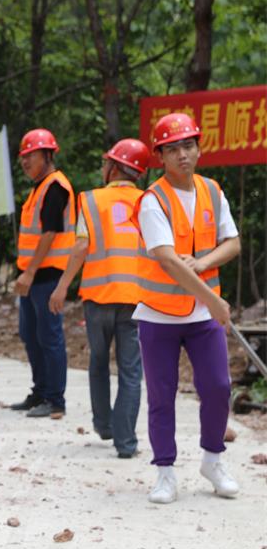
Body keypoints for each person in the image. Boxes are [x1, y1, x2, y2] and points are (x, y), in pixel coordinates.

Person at [132, 112, 241, 504]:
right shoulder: (152, 200)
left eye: (188, 146)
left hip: (202, 316)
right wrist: (213, 299)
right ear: (160, 156)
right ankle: (165, 472)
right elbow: (166, 258)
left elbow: (233, 243)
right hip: (158, 314)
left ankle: (213, 461)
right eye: (173, 149)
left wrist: (204, 262)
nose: (182, 154)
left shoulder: (212, 191)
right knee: (162, 396)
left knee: (218, 387)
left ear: (198, 149)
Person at [48, 139, 149, 458]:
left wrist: (62, 286)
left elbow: (81, 246)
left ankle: (104, 425)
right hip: (136, 299)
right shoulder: (149, 201)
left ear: (115, 168)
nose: (103, 167)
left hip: (98, 297)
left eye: (107, 163)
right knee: (131, 371)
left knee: (99, 361)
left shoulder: (91, 201)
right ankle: (126, 442)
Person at [11, 128, 76, 418]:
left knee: (49, 337)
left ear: (48, 155)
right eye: (23, 157)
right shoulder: (39, 187)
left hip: (47, 275)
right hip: (33, 276)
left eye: (31, 155)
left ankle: (55, 399)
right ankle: (40, 392)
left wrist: (29, 272)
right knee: (30, 334)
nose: (25, 162)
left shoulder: (55, 187)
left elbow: (49, 234)